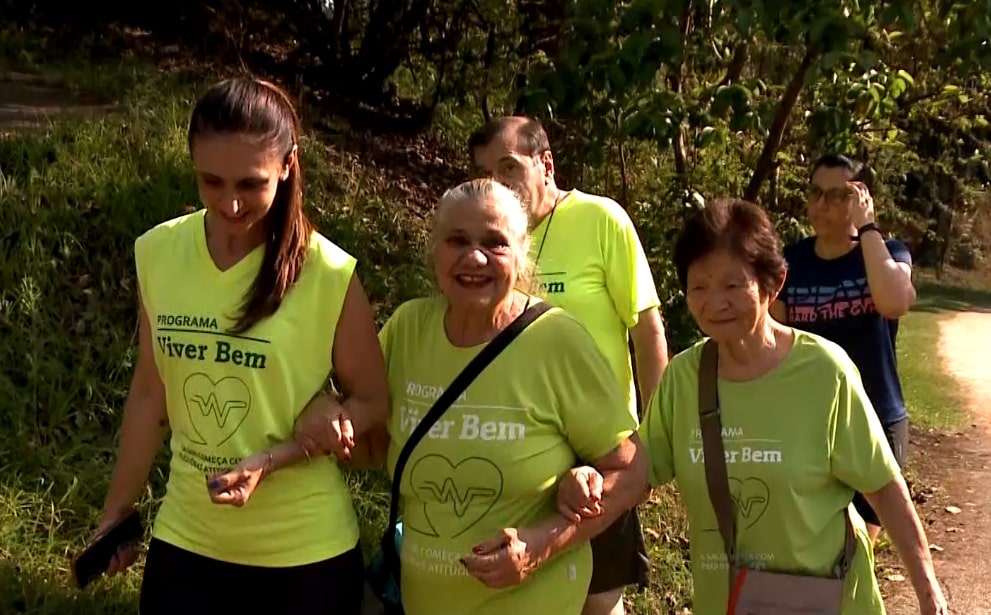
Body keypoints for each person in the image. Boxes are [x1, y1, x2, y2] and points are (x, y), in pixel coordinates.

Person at [87, 77, 389, 615]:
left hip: (304, 557)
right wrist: (117, 511)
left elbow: (372, 401)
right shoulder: (158, 252)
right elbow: (151, 396)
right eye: (211, 181)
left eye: (251, 184)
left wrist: (297, 443)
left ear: (288, 166)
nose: (230, 203)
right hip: (186, 540)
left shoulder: (328, 273)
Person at [560, 199, 947, 615]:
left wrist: (929, 594)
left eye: (732, 285)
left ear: (773, 282)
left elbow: (884, 489)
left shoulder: (823, 372)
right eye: (699, 287)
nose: (714, 302)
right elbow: (638, 473)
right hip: (729, 603)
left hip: (829, 603)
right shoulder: (685, 378)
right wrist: (587, 485)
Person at [298, 178, 649, 615]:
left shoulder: (556, 340)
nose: (474, 257)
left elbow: (632, 471)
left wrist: (541, 544)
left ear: (522, 254)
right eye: (457, 240)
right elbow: (372, 447)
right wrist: (322, 412)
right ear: (434, 250)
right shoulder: (408, 330)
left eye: (495, 243)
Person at [468, 115, 668, 615]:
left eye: (508, 168)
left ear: (546, 164)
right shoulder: (487, 243)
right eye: (484, 173)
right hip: (516, 453)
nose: (498, 186)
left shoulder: (602, 220)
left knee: (598, 601)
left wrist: (659, 435)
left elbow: (647, 329)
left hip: (599, 456)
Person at [770, 154, 917, 544]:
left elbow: (893, 302)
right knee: (820, 542)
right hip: (811, 422)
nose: (821, 205)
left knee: (857, 545)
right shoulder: (791, 262)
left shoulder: (888, 252)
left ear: (861, 199)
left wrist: (867, 227)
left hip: (877, 416)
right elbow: (774, 339)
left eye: (837, 196)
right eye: (816, 193)